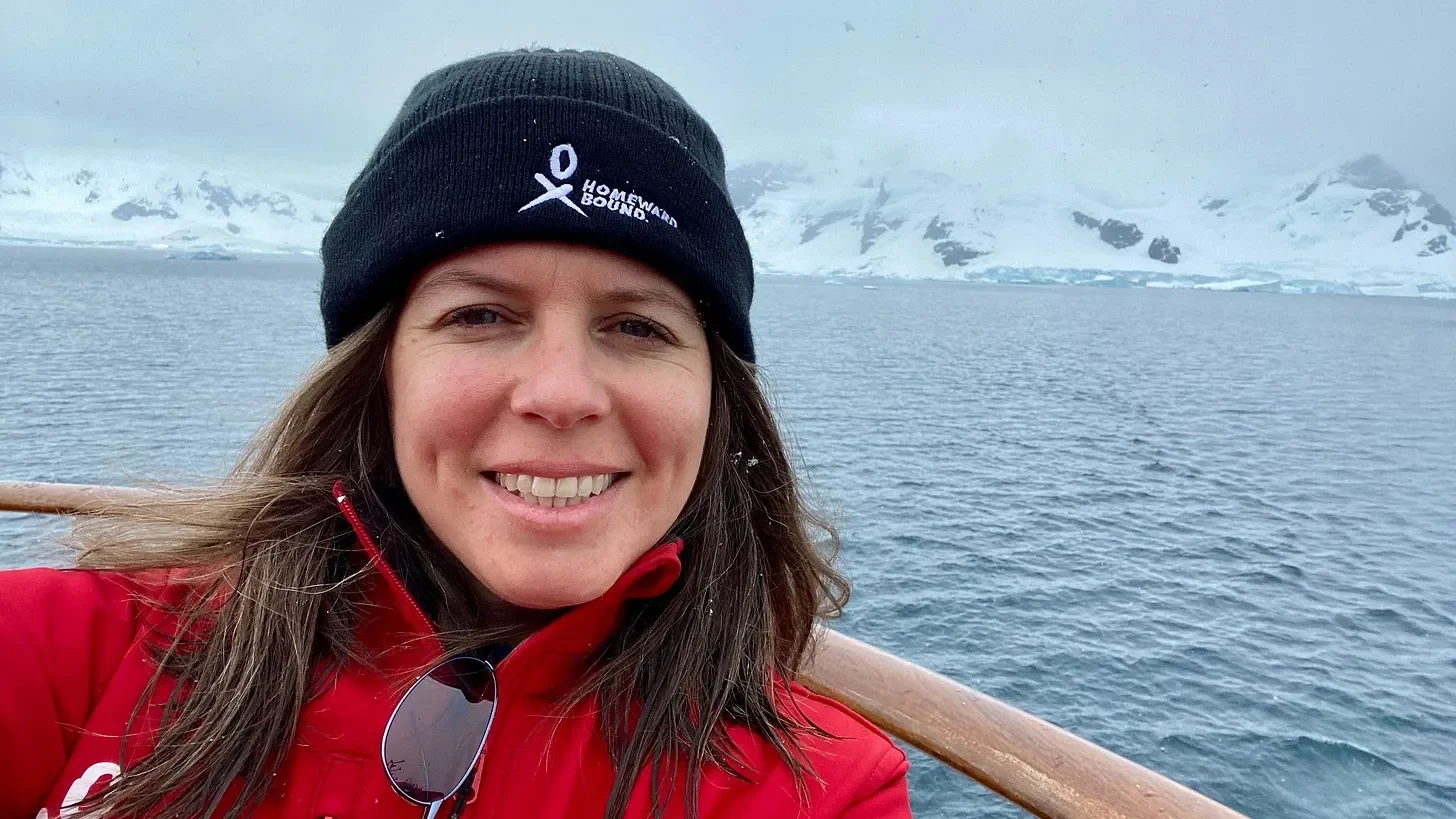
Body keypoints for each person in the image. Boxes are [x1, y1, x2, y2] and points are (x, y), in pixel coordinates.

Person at [0, 48, 911, 819]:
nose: (560, 394)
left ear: (717, 396)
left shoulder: (821, 788)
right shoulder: (74, 653)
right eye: (480, 315)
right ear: (378, 369)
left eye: (638, 326)